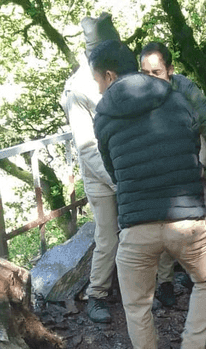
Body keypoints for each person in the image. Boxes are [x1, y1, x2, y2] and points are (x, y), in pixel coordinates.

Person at [89, 39, 206, 349]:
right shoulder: (174, 95)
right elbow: (192, 143)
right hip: (188, 220)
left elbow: (112, 168)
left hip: (136, 226)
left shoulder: (103, 113)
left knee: (136, 304)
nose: (99, 89)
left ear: (108, 75)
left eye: (97, 82)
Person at [139, 41, 206, 308]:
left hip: (186, 163)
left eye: (157, 73)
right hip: (154, 167)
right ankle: (164, 283)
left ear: (170, 70)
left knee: (188, 221)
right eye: (145, 73)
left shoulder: (186, 90)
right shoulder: (136, 93)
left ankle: (193, 273)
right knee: (161, 222)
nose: (151, 79)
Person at [60, 12, 121, 324]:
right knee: (108, 235)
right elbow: (87, 148)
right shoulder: (79, 88)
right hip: (100, 173)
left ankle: (141, 289)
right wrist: (117, 181)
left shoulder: (120, 68)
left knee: (141, 231)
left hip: (125, 165)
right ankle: (97, 294)